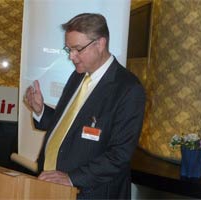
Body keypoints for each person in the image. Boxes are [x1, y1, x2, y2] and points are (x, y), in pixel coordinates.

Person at [24, 13, 145, 199]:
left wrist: (72, 178)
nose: (72, 56)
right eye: (69, 49)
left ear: (100, 43)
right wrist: (41, 111)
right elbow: (70, 127)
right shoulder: (78, 76)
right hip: (53, 188)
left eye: (78, 49)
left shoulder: (128, 89)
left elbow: (119, 155)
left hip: (89, 193)